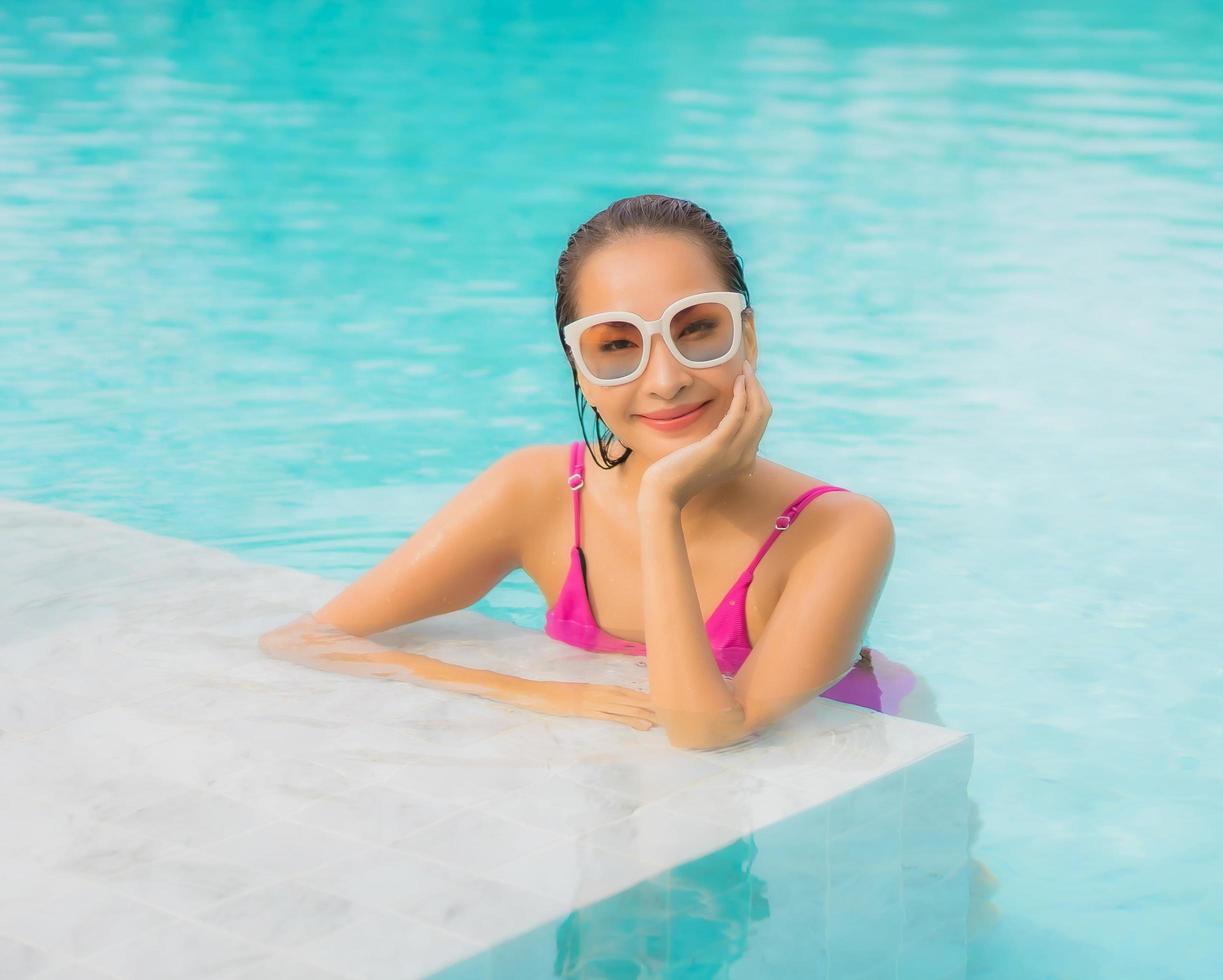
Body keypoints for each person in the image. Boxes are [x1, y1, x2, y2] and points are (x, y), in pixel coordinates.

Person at [257, 192, 997, 935]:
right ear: (579, 370)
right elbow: (304, 640)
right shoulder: (535, 493)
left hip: (865, 746)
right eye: (618, 345)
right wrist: (528, 691)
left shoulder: (840, 529)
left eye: (697, 329)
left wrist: (661, 505)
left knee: (952, 928)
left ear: (748, 336)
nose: (667, 378)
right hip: (660, 806)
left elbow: (706, 728)